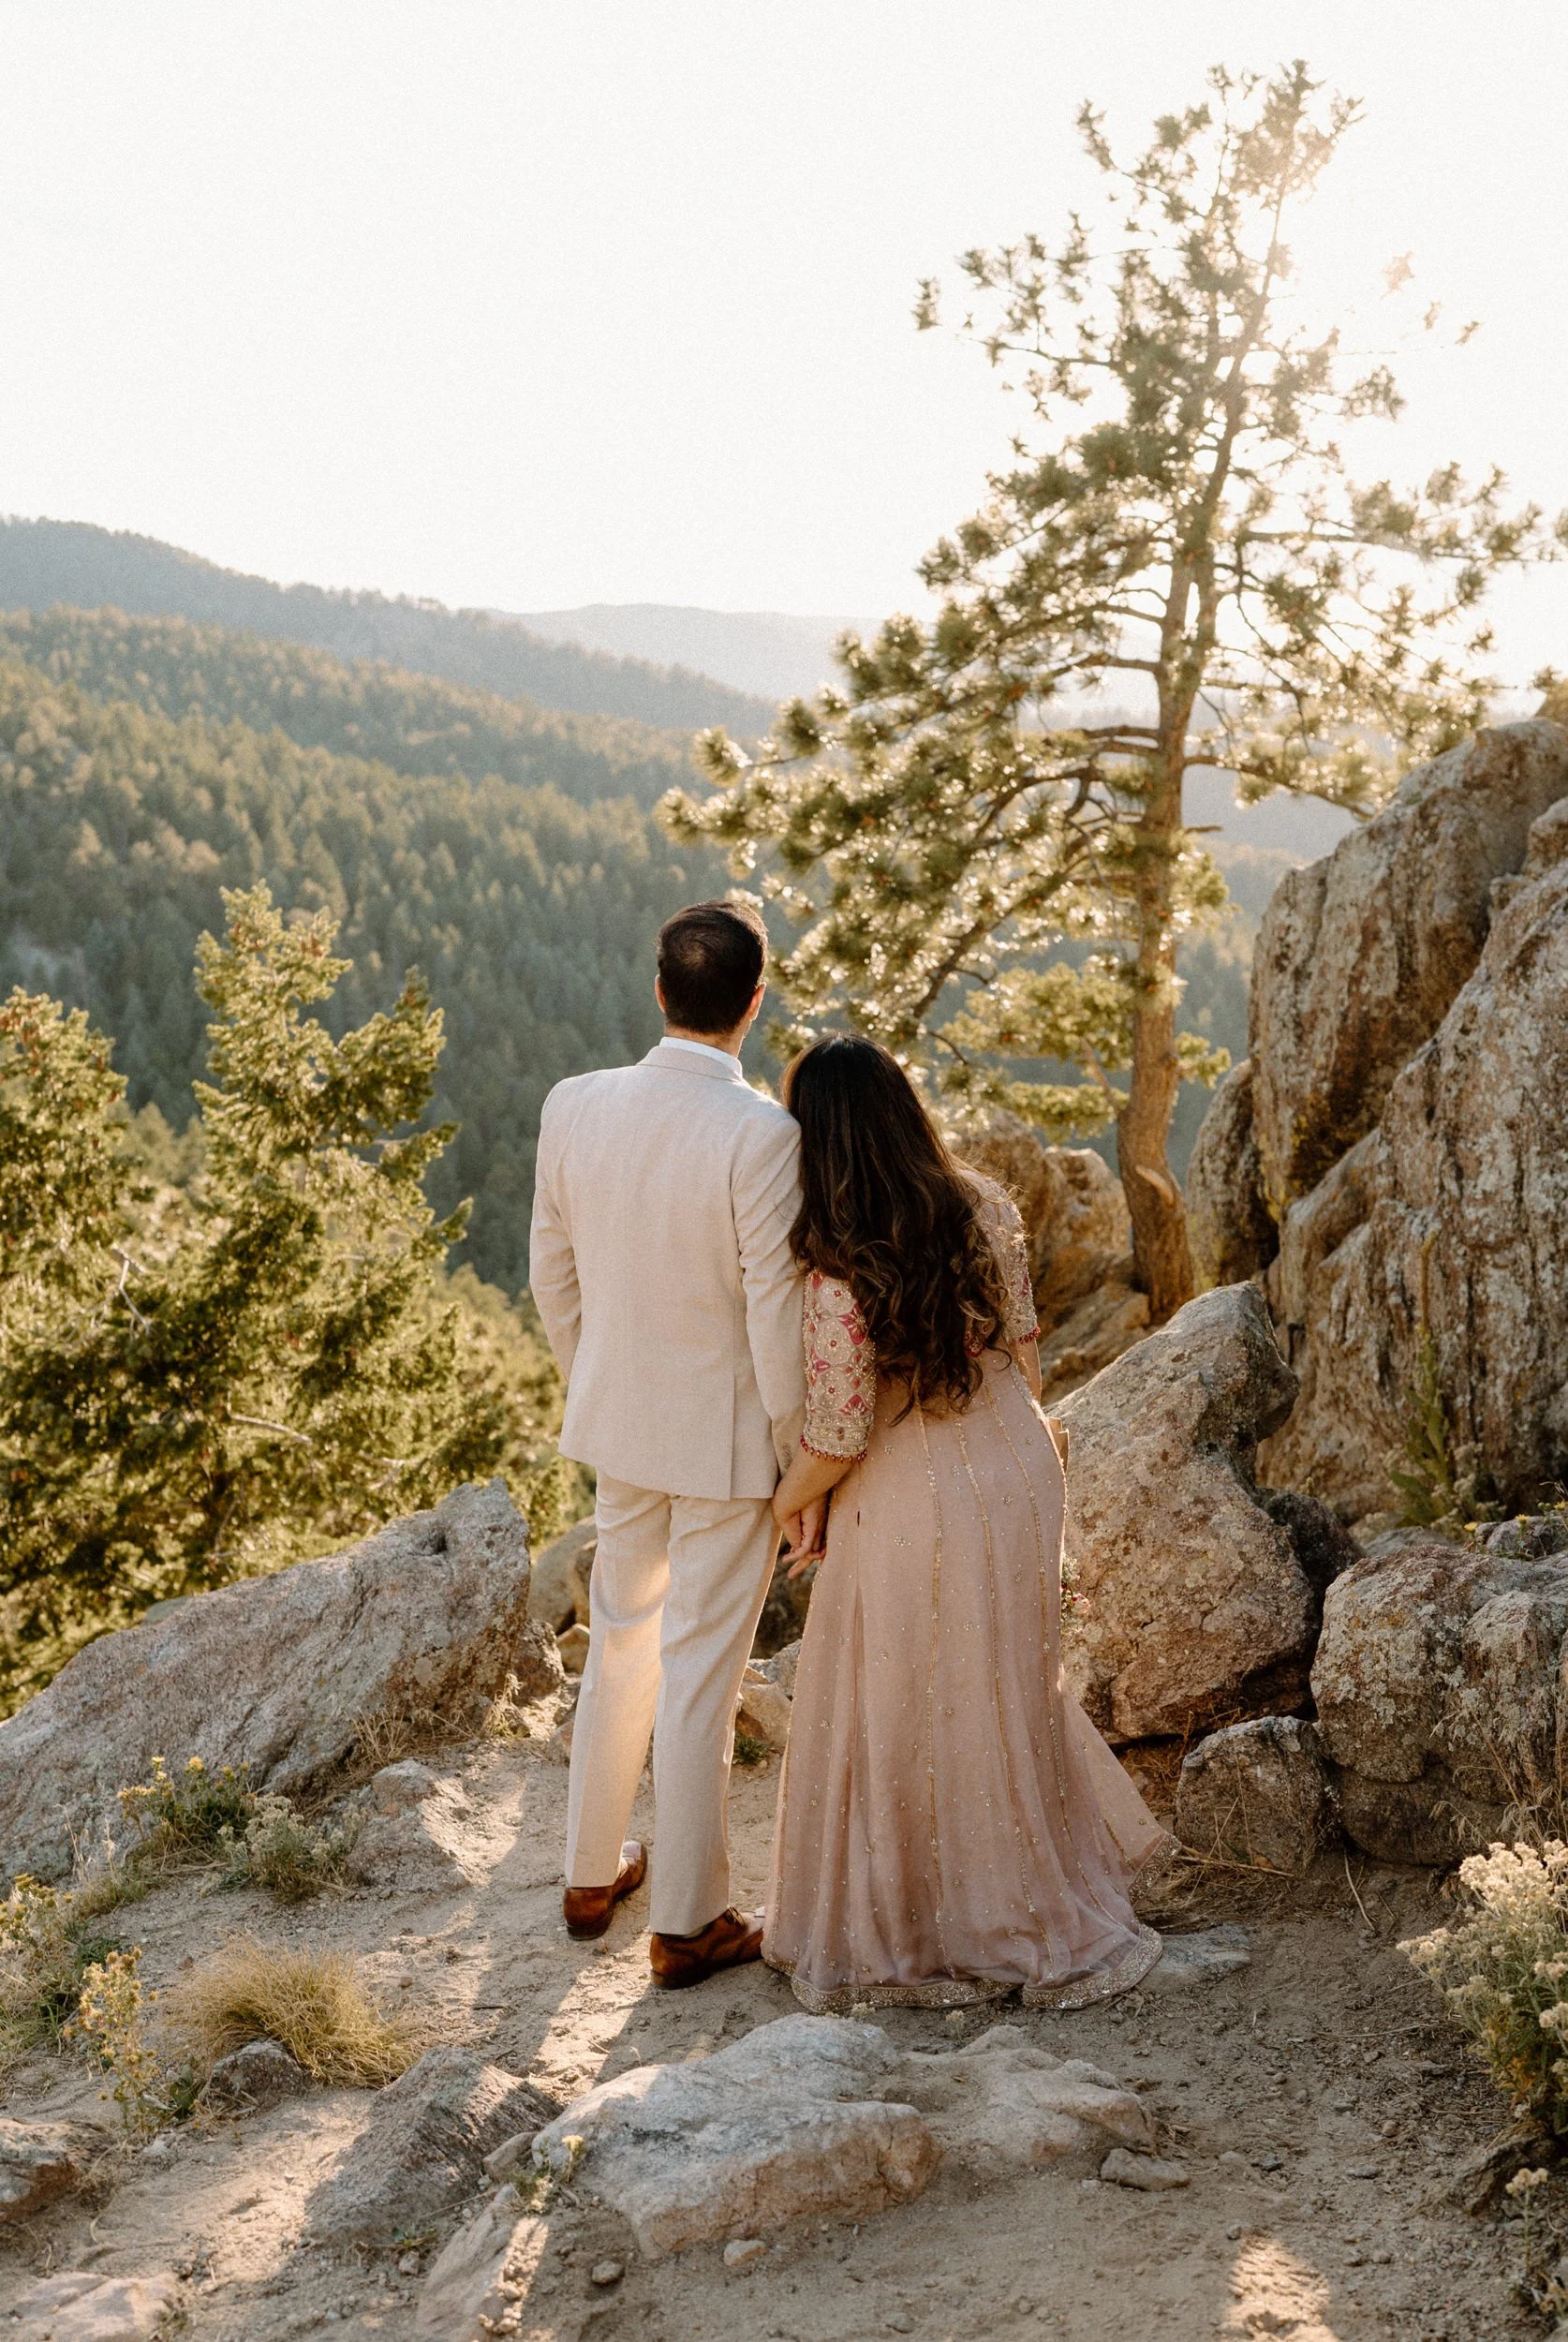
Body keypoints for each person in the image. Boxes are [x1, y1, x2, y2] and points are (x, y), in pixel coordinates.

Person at [763, 1034, 1169, 2011]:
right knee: (1005, 1681)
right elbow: (1027, 1353)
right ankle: (1024, 1886)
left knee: (900, 1696)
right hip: (1018, 1459)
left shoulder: (836, 1267)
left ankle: (927, 1921)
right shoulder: (983, 1202)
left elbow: (839, 1432)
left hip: (916, 1488)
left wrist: (785, 1507)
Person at [528, 898, 809, 1989]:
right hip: (729, 1442)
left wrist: (595, 1382)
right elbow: (772, 1315)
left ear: (659, 991)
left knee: (619, 1640)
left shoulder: (573, 1105)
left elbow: (554, 1276)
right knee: (700, 1668)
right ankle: (689, 1921)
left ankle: (589, 1872)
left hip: (620, 1426)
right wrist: (796, 1459)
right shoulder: (759, 1135)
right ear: (754, 1002)